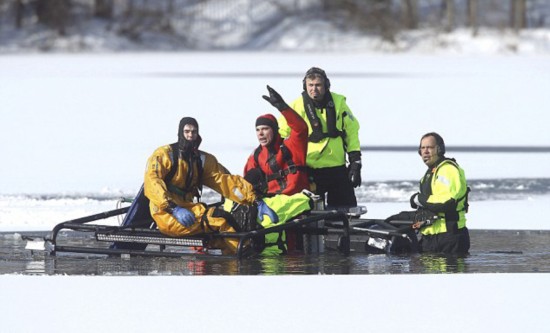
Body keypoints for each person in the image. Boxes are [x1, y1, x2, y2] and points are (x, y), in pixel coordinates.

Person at [143, 117, 274, 255]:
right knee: (221, 219)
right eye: (187, 131)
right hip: (166, 214)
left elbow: (225, 181)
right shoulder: (164, 155)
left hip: (188, 209)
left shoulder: (200, 160)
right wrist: (173, 208)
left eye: (194, 132)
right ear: (180, 133)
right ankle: (245, 256)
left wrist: (256, 200)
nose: (190, 136)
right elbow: (152, 182)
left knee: (223, 233)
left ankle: (230, 267)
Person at [278, 67, 362, 210]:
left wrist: (355, 162)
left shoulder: (339, 103)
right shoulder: (296, 106)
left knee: (347, 210)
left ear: (326, 86)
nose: (314, 89)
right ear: (305, 86)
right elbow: (281, 133)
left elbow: (351, 131)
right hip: (310, 169)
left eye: (318, 85)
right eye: (310, 85)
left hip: (337, 168)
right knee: (310, 214)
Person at [409, 132, 470, 255]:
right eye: (422, 148)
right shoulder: (429, 173)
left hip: (449, 237)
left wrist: (418, 199)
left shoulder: (448, 170)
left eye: (430, 147)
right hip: (431, 238)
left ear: (440, 149)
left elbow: (445, 202)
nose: (425, 151)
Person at [244, 85, 309, 196]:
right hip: (270, 201)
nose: (260, 133)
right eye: (257, 130)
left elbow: (301, 128)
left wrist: (283, 108)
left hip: (295, 199)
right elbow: (246, 184)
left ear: (274, 130)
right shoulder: (256, 155)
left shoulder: (291, 145)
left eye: (265, 129)